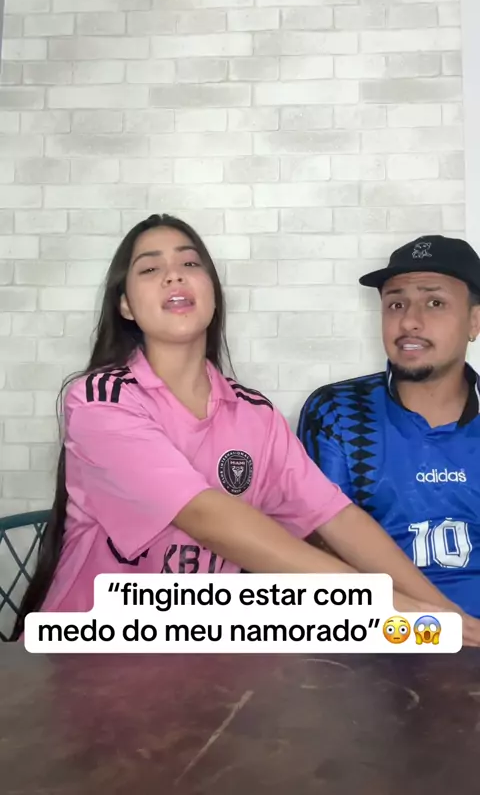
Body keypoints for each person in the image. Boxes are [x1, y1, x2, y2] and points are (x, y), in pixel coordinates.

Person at [11, 219, 480, 644]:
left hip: (204, 658)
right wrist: (389, 606)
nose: (174, 276)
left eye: (190, 263)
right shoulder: (99, 401)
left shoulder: (255, 415)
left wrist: (450, 619)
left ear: (213, 294)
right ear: (126, 306)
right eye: (150, 269)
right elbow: (207, 516)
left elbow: (337, 517)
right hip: (93, 653)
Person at [297, 233, 480, 620]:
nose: (409, 321)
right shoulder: (338, 412)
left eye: (435, 302)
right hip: (377, 637)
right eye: (396, 303)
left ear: (475, 320)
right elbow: (319, 557)